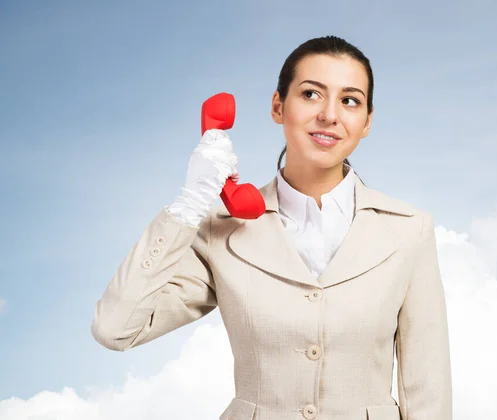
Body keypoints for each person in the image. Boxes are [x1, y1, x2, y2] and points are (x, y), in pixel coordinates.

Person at [92, 35, 452, 420]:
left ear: (366, 122)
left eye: (350, 100)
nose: (330, 115)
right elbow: (116, 329)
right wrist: (189, 205)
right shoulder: (223, 232)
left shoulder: (408, 231)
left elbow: (427, 390)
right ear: (278, 106)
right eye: (311, 94)